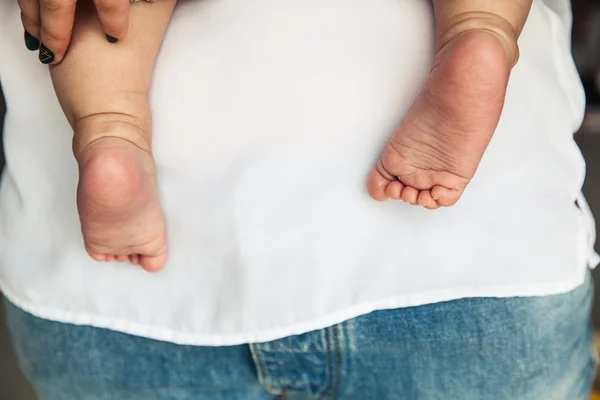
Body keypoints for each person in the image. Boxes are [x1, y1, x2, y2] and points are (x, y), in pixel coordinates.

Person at [1, 0, 598, 398]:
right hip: (477, 257)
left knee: (105, 13)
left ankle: (111, 128)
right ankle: (481, 29)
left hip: (123, 300)